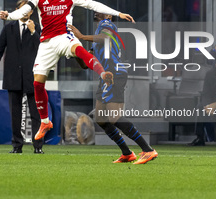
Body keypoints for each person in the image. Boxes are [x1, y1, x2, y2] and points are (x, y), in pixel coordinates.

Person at [0, 0, 135, 141]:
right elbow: (25, 10)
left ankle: (103, 73)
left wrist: (118, 13)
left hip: (64, 36)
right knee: (37, 84)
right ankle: (45, 121)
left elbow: (92, 4)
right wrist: (9, 16)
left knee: (78, 50)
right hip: (46, 43)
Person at [67, 13, 158, 164]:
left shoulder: (106, 24)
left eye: (101, 8)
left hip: (115, 74)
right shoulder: (96, 39)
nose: (97, 10)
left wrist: (82, 36)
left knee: (114, 117)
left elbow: (106, 38)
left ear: (108, 15)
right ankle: (127, 153)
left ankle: (148, 150)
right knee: (101, 119)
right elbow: (85, 65)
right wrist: (74, 49)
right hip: (106, 77)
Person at [0, 0, 44, 154]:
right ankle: (16, 146)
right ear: (17, 11)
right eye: (22, 9)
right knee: (15, 115)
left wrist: (34, 32)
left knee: (36, 114)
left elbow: (43, 51)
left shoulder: (38, 28)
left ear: (32, 12)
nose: (25, 12)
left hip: (33, 77)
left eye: (27, 9)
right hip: (13, 76)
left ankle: (38, 146)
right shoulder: (8, 28)